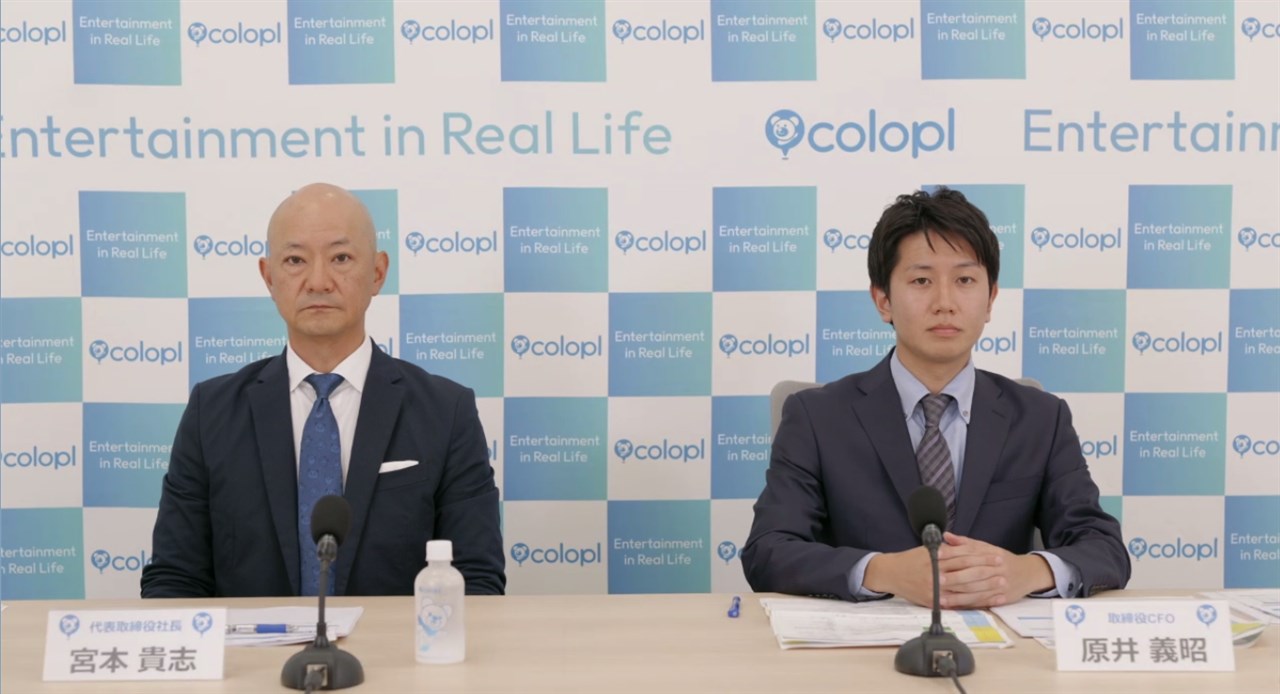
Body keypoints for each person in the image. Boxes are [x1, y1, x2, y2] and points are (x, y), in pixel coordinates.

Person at [741, 187, 1129, 608]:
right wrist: (882, 571)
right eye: (921, 280)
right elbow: (768, 551)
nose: (945, 303)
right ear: (883, 300)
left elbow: (1104, 548)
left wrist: (1026, 572)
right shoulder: (818, 416)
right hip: (865, 641)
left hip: (1000, 639)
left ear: (990, 300)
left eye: (965, 280)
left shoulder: (1040, 417)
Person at [142, 183, 504, 597]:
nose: (318, 281)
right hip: (255, 642)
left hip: (398, 641)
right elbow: (174, 579)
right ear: (269, 276)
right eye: (295, 260)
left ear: (378, 273)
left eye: (341, 258)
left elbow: (476, 581)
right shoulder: (211, 413)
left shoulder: (446, 411)